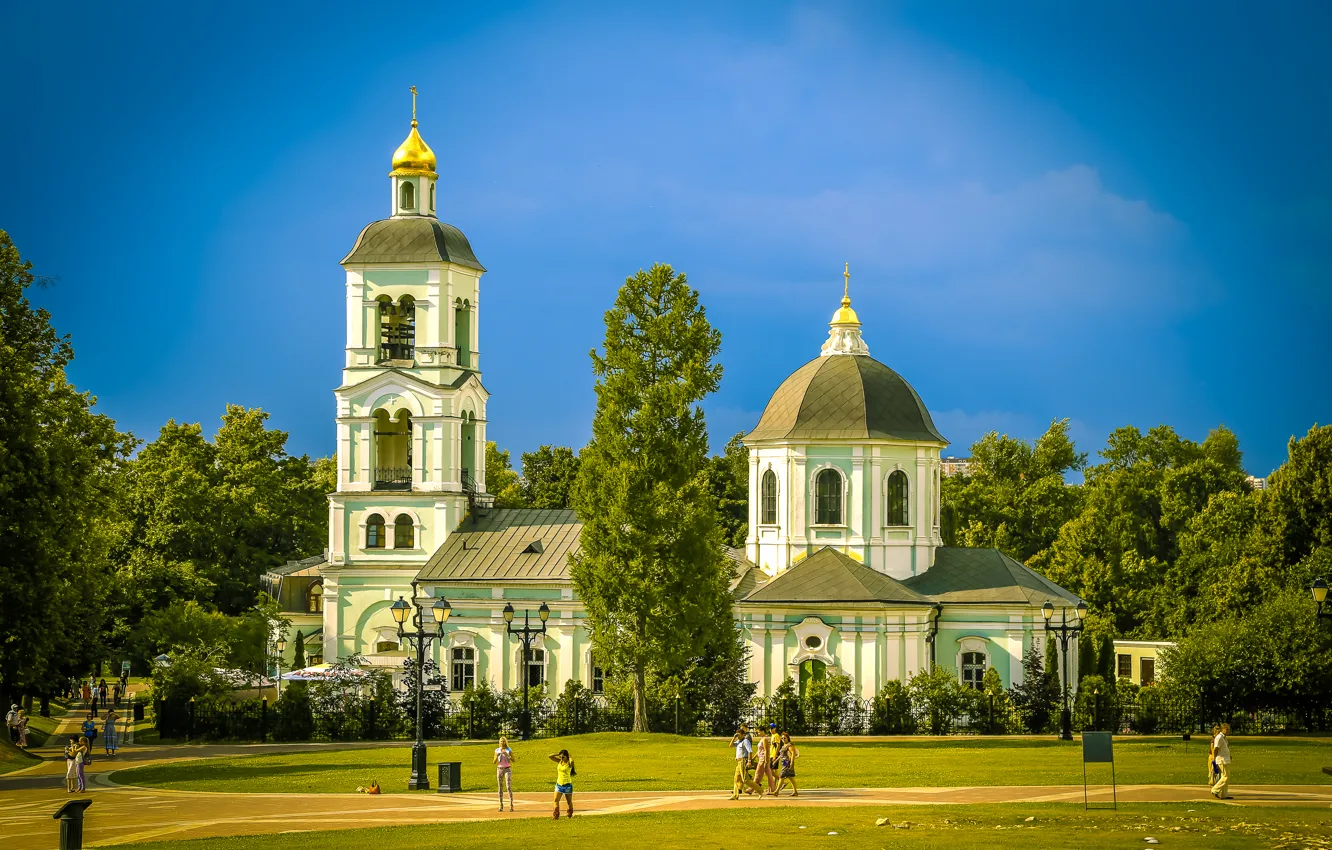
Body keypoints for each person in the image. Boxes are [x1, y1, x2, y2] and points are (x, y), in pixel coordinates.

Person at [729, 724, 759, 799]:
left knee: (745, 779)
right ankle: (736, 794)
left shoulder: (746, 738)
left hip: (743, 760)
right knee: (737, 778)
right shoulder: (739, 740)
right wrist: (734, 737)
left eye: (743, 728)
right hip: (739, 761)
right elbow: (730, 745)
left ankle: (759, 789)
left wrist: (749, 761)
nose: (738, 735)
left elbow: (749, 750)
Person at [548, 748, 576, 819]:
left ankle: (570, 814)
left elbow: (572, 761)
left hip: (567, 785)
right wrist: (558, 754)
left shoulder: (569, 764)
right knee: (556, 800)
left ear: (566, 756)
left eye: (563, 757)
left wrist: (569, 756)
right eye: (560, 757)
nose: (561, 758)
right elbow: (550, 756)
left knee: (569, 801)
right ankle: (556, 815)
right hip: (559, 784)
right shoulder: (560, 761)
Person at [494, 736, 515, 812]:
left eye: (503, 741)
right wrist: (497, 756)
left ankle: (511, 804)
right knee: (500, 787)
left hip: (507, 769)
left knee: (508, 786)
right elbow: (494, 761)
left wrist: (507, 755)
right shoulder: (497, 750)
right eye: (501, 741)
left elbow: (513, 759)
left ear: (505, 742)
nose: (502, 743)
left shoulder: (508, 750)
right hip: (500, 769)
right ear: (499, 742)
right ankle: (500, 804)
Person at [1211, 723, 1232, 799]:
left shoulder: (1224, 738)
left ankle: (1224, 794)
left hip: (1226, 759)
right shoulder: (1219, 737)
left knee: (1227, 777)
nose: (1228, 731)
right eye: (1227, 729)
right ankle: (1215, 789)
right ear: (1222, 729)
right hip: (1222, 759)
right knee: (1225, 777)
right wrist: (1214, 758)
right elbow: (1215, 748)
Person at [775, 732, 800, 797]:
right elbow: (781, 755)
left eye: (784, 738)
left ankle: (776, 791)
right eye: (782, 738)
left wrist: (791, 762)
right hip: (784, 762)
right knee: (790, 777)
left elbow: (793, 753)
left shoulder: (789, 745)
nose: (783, 739)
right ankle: (795, 792)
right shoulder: (783, 745)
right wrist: (776, 761)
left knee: (781, 776)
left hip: (787, 763)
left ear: (788, 738)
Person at [751, 725, 772, 798]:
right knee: (769, 774)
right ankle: (772, 789)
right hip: (762, 758)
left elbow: (766, 750)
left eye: (758, 732)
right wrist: (753, 758)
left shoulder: (765, 739)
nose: (758, 733)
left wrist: (766, 760)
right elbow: (759, 750)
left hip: (763, 759)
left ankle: (751, 789)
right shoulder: (763, 739)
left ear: (762, 731)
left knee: (758, 773)